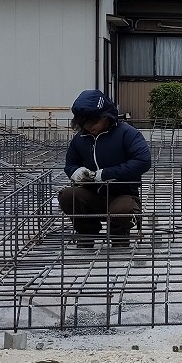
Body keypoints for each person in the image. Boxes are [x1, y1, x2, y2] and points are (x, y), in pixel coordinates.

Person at [58, 89, 152, 247]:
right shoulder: (80, 139)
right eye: (84, 123)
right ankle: (87, 233)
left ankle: (119, 237)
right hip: (91, 194)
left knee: (123, 209)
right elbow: (70, 164)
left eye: (93, 122)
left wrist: (106, 174)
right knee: (67, 195)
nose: (89, 127)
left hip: (122, 194)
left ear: (105, 116)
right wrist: (76, 172)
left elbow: (143, 161)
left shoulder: (127, 133)